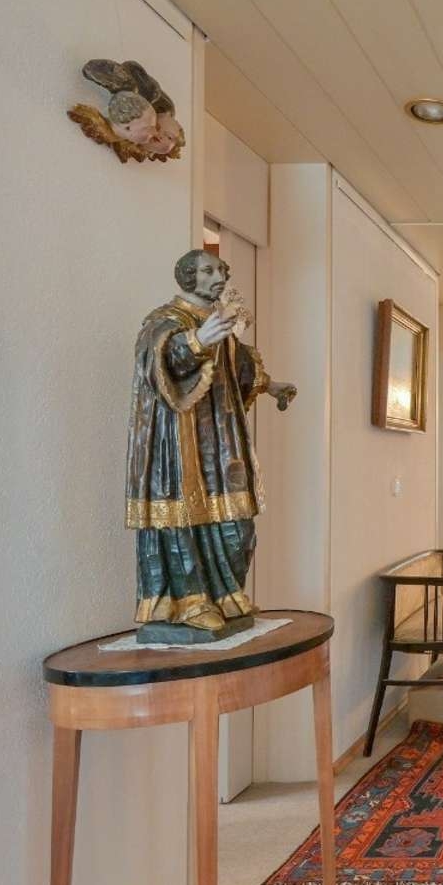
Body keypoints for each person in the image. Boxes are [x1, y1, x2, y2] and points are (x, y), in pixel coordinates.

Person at [124, 249, 296, 641]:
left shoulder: (218, 323)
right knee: (184, 517)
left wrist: (271, 386)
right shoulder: (165, 321)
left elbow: (239, 368)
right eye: (207, 271)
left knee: (239, 526)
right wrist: (197, 341)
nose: (218, 277)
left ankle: (226, 594)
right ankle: (189, 602)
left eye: (220, 270)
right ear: (188, 277)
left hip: (221, 438)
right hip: (180, 441)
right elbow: (156, 363)